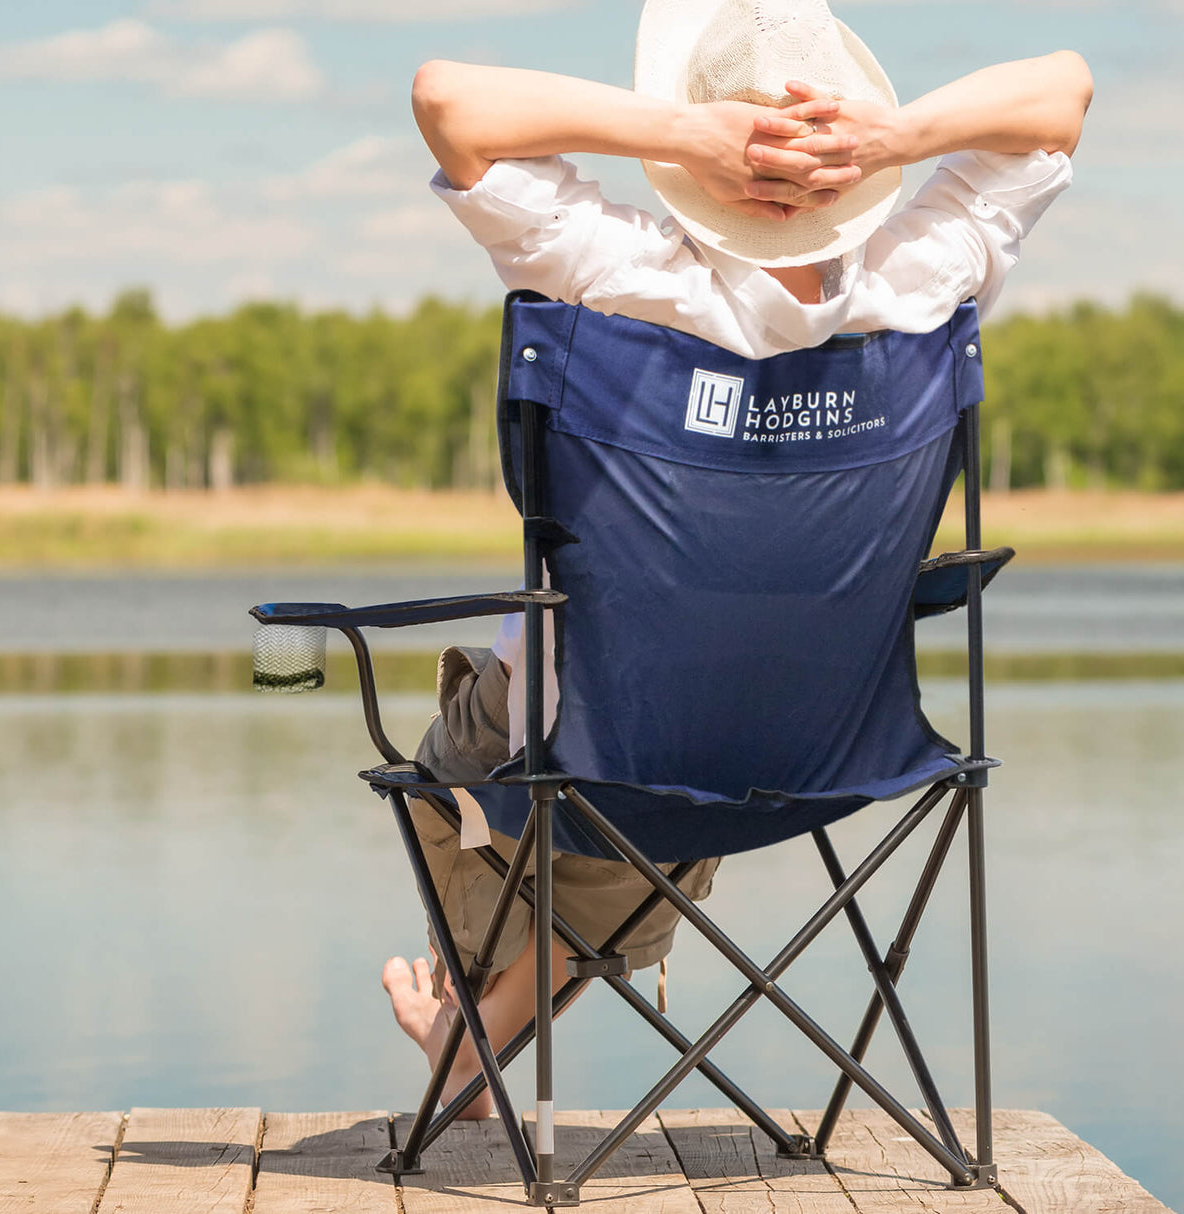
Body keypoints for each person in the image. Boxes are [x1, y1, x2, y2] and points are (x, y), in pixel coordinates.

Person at [383, 0, 1092, 1118]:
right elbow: (1062, 93)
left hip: (593, 745)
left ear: (702, 163)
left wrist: (680, 133)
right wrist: (890, 138)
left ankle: (456, 1037)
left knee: (470, 763)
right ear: (846, 159)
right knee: (650, 781)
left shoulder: (615, 273)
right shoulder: (918, 284)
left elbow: (443, 98)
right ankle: (460, 1052)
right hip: (820, 751)